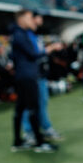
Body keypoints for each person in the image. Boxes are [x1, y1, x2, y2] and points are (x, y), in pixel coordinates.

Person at [10, 10, 58, 153]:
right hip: (27, 76)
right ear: (21, 19)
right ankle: (38, 142)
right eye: (30, 18)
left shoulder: (19, 34)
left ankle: (18, 141)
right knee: (33, 108)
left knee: (21, 109)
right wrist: (49, 49)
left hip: (23, 75)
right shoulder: (20, 35)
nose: (33, 21)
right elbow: (34, 54)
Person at [22, 13, 62, 142]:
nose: (41, 20)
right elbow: (33, 54)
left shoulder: (34, 35)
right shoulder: (24, 35)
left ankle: (45, 127)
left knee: (42, 102)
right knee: (29, 105)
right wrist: (49, 48)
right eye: (39, 17)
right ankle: (28, 132)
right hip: (31, 76)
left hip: (40, 75)